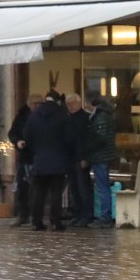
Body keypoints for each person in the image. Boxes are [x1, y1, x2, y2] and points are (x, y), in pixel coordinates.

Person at [19, 92, 71, 232]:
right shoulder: (62, 116)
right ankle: (55, 222)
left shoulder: (33, 117)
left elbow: (27, 138)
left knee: (39, 193)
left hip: (39, 160)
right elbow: (69, 138)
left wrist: (36, 152)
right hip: (58, 160)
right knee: (56, 193)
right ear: (57, 101)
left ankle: (36, 222)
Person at [82, 93, 118, 228]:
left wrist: (87, 149)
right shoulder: (105, 114)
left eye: (86, 102)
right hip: (103, 155)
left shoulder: (100, 116)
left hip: (101, 156)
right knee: (103, 186)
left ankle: (105, 216)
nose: (85, 105)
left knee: (103, 187)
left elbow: (100, 138)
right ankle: (105, 215)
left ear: (90, 102)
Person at [7, 94, 41, 227]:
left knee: (37, 188)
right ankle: (23, 215)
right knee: (22, 187)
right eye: (34, 103)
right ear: (29, 104)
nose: (37, 106)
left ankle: (35, 216)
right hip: (25, 156)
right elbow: (12, 133)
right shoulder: (21, 116)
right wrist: (17, 141)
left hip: (39, 157)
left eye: (39, 103)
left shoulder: (44, 116)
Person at [64, 94, 92, 226]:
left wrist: (85, 157)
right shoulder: (67, 119)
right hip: (69, 158)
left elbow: (86, 140)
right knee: (74, 188)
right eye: (68, 104)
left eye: (73, 103)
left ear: (79, 103)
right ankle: (77, 214)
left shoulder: (86, 118)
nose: (71, 106)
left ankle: (87, 215)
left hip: (80, 158)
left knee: (83, 188)